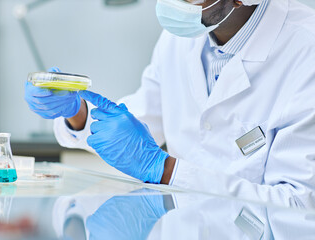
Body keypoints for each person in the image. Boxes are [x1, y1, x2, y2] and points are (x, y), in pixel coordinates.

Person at [25, 0, 315, 208]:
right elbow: (140, 122)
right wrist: (77, 112)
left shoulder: (305, 50)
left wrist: (165, 169)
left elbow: (299, 206)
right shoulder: (178, 40)